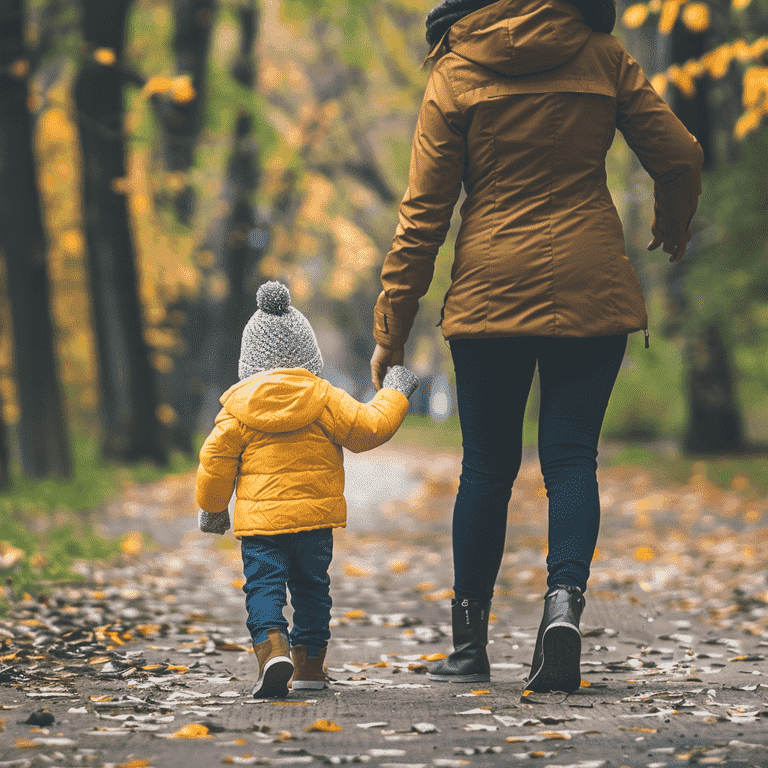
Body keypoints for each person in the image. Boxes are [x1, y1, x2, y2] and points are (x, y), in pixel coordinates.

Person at [370, 0, 703, 693]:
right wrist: (672, 225)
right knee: (572, 459)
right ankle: (562, 608)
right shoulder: (602, 55)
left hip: (489, 292)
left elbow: (423, 216)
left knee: (487, 468)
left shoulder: (455, 69)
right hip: (591, 283)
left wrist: (391, 330)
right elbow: (681, 154)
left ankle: (468, 650)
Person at [197, 281, 419, 698]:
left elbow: (214, 462)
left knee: (263, 588)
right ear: (308, 351)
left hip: (261, 527)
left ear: (249, 359)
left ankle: (272, 649)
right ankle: (310, 665)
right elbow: (370, 428)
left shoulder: (237, 409)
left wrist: (212, 509)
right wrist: (395, 391)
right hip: (314, 523)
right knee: (313, 588)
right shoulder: (326, 399)